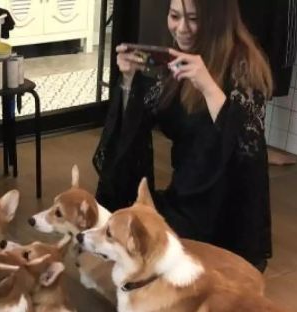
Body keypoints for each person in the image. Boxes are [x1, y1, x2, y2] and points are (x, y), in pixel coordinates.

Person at [93, 0, 273, 271]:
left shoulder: (243, 64)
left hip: (224, 203)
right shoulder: (176, 58)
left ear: (217, 21)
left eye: (194, 19)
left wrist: (208, 86)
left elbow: (247, 151)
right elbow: (140, 116)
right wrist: (129, 80)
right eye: (175, 16)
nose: (182, 28)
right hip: (185, 190)